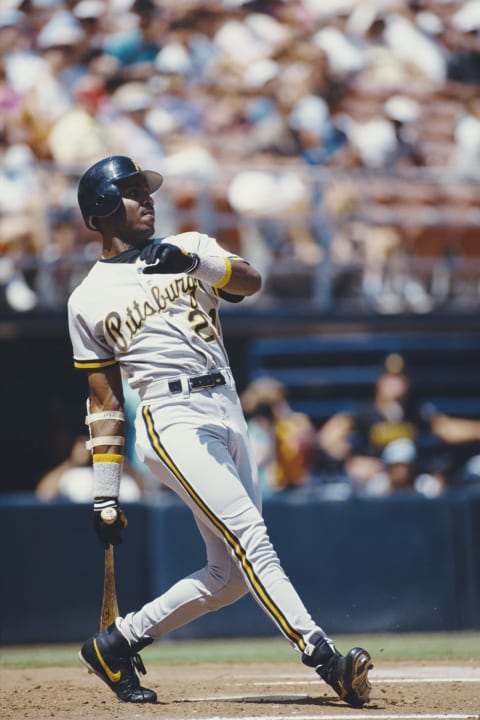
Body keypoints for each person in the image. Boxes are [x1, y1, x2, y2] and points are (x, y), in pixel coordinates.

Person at [67, 155, 373, 708]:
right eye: (132, 192)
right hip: (171, 415)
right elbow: (105, 402)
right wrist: (105, 494)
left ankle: (117, 643)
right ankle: (323, 656)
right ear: (103, 209)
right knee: (252, 537)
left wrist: (197, 261)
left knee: (229, 575)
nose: (148, 199)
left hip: (227, 401)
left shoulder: (189, 244)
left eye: (144, 189)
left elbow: (251, 280)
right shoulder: (86, 298)